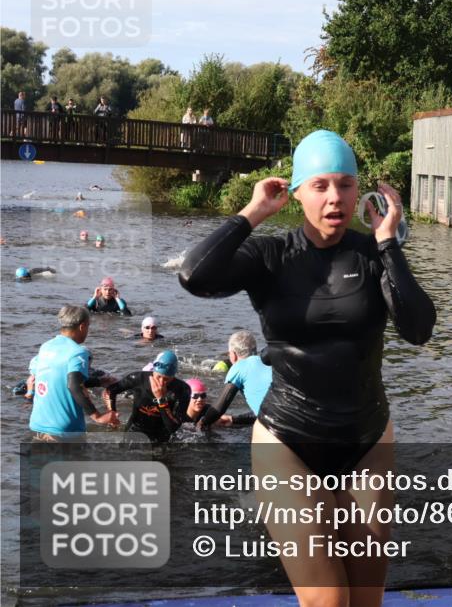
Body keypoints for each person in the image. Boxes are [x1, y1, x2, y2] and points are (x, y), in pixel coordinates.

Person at [179, 129, 435, 605]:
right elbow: (195, 276)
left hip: (367, 442)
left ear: (360, 191)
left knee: (364, 600)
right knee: (326, 601)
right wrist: (252, 214)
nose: (334, 197)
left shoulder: (372, 254)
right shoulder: (270, 255)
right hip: (288, 439)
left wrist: (389, 243)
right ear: (295, 192)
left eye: (344, 184)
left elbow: (419, 329)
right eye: (319, 185)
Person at [28, 306, 119, 441]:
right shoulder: (78, 352)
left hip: (38, 425)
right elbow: (74, 385)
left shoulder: (46, 347)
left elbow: (49, 377)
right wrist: (98, 416)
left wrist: (99, 382)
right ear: (82, 326)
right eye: (88, 326)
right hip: (65, 430)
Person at [102, 350, 189, 443]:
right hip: (134, 430)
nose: (161, 382)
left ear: (173, 376)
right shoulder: (138, 378)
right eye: (158, 376)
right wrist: (112, 412)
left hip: (161, 435)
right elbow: (110, 391)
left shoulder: (182, 389)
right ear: (153, 371)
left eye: (166, 379)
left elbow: (174, 427)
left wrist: (161, 399)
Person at [196, 330, 271, 429]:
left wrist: (202, 423)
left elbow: (218, 409)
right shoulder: (268, 364)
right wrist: (233, 419)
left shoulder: (238, 368)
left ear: (234, 354)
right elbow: (264, 412)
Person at [184, 378, 254, 427]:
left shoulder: (208, 410)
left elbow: (228, 419)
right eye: (195, 396)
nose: (199, 399)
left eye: (203, 395)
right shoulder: (179, 414)